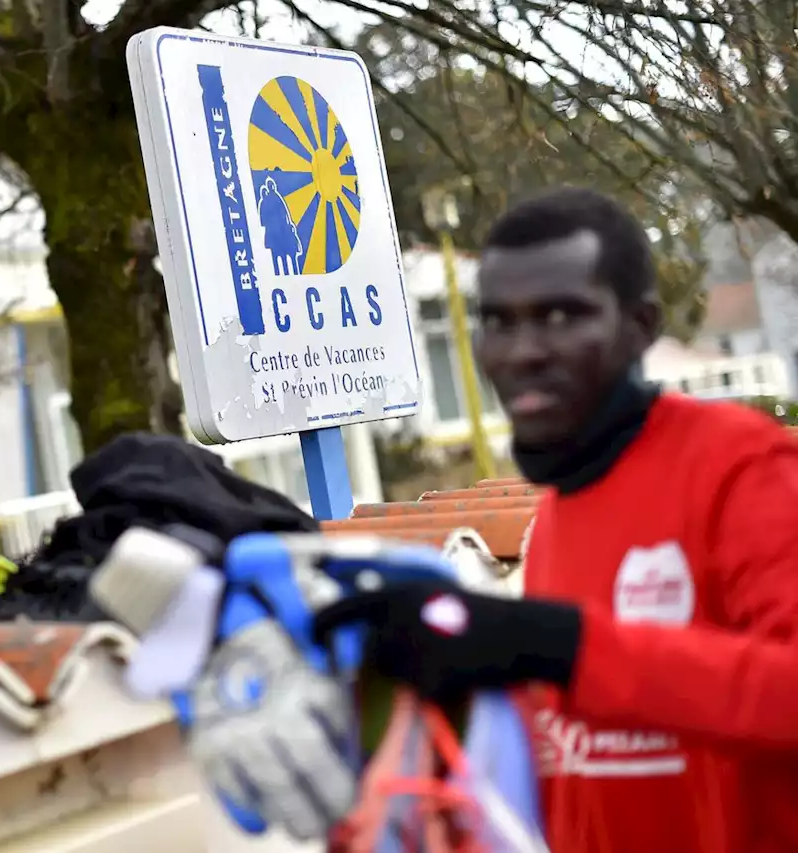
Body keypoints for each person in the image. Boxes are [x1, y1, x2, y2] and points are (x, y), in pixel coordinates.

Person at [314, 187, 798, 853]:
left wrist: (559, 643)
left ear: (642, 325)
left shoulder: (744, 469)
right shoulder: (555, 520)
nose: (524, 351)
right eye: (499, 322)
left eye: (562, 315)